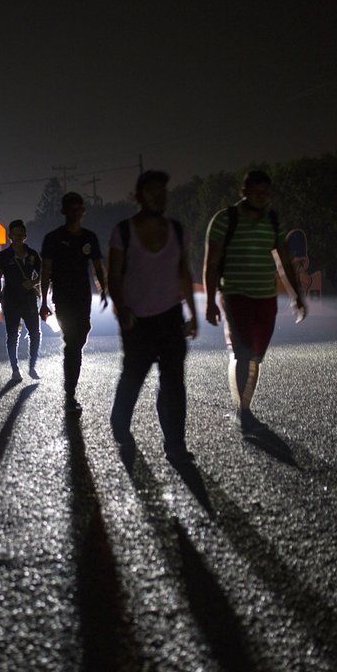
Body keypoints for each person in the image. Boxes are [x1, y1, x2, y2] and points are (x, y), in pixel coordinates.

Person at [204, 170, 307, 434]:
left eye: (266, 193)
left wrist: (297, 295)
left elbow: (284, 262)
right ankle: (244, 411)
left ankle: (244, 405)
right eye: (257, 192)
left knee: (256, 358)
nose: (262, 198)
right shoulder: (224, 220)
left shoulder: (273, 221)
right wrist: (210, 301)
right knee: (243, 353)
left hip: (265, 299)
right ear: (245, 191)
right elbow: (212, 263)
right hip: (235, 296)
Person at [108, 170, 198, 462]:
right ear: (138, 197)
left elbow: (184, 272)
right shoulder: (123, 232)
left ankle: (175, 444)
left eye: (162, 190)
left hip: (171, 317)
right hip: (137, 321)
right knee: (133, 378)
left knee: (174, 383)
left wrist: (193, 314)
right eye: (151, 191)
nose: (158, 196)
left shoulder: (177, 230)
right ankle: (120, 427)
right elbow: (114, 277)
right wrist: (123, 311)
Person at [39, 192, 108, 414]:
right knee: (71, 340)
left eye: (80, 208)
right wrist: (43, 302)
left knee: (82, 334)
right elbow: (46, 270)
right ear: (64, 211)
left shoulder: (89, 237)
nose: (77, 212)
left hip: (83, 296)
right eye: (72, 208)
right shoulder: (53, 238)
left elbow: (97, 266)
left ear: (83, 211)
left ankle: (71, 372)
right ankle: (70, 393)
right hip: (62, 297)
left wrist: (104, 289)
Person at [0, 220, 42, 381]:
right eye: (15, 234)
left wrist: (34, 283)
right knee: (12, 335)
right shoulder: (3, 255)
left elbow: (44, 274)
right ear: (10, 236)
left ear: (25, 236)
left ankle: (32, 366)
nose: (18, 237)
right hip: (11, 300)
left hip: (29, 299)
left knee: (35, 333)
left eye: (21, 233)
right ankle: (15, 368)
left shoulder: (33, 254)